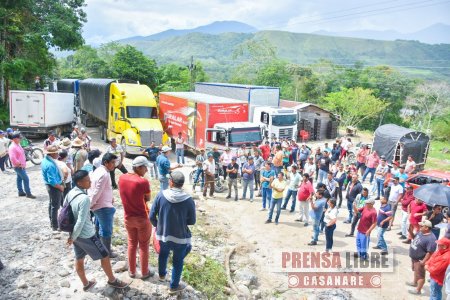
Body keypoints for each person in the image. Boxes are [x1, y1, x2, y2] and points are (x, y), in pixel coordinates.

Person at [67, 170, 130, 291]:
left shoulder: (70, 193)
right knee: (105, 255)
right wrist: (73, 237)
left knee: (79, 258)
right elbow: (81, 221)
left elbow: (65, 212)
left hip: (75, 233)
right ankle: (112, 280)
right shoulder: (84, 198)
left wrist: (72, 235)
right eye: (87, 180)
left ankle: (86, 283)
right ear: (79, 183)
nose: (90, 182)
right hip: (86, 235)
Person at [150, 171, 196, 295]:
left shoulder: (161, 195)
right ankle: (174, 286)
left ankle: (161, 275)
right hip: (180, 237)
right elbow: (192, 221)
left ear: (171, 182)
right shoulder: (188, 200)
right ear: (182, 184)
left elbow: (151, 216)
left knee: (163, 254)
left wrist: (158, 226)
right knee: (178, 261)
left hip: (163, 235)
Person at [118, 156, 153, 279]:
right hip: (142, 217)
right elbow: (148, 198)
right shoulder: (142, 182)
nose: (146, 171)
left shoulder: (122, 178)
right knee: (144, 245)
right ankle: (144, 272)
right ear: (138, 167)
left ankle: (132, 271)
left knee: (132, 244)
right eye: (145, 168)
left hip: (128, 217)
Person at [89, 153, 118, 258]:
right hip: (102, 206)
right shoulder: (104, 174)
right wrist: (90, 204)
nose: (114, 165)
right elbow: (97, 191)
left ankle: (99, 248)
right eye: (112, 163)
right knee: (106, 230)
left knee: (98, 227)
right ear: (106, 163)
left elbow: (93, 188)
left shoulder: (97, 171)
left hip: (99, 205)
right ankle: (106, 252)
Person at [407, 220, 437, 295]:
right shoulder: (421, 232)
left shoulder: (431, 239)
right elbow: (414, 238)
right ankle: (414, 282)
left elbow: (430, 252)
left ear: (426, 228)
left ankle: (418, 290)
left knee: (420, 275)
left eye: (421, 226)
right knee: (416, 271)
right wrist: (410, 232)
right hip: (414, 258)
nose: (420, 227)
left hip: (420, 260)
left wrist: (423, 261)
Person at [41, 145, 65, 230]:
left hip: (51, 185)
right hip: (54, 187)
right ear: (52, 154)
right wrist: (60, 187)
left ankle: (52, 221)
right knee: (55, 206)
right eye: (56, 152)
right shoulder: (50, 164)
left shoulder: (46, 160)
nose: (58, 154)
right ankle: (54, 225)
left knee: (52, 204)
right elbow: (52, 181)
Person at [9, 133, 35, 198]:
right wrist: (19, 164)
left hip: (21, 165)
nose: (20, 139)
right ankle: (28, 193)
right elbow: (12, 158)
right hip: (18, 166)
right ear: (15, 139)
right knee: (26, 179)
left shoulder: (17, 144)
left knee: (19, 178)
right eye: (19, 138)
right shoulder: (13, 147)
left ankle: (20, 192)